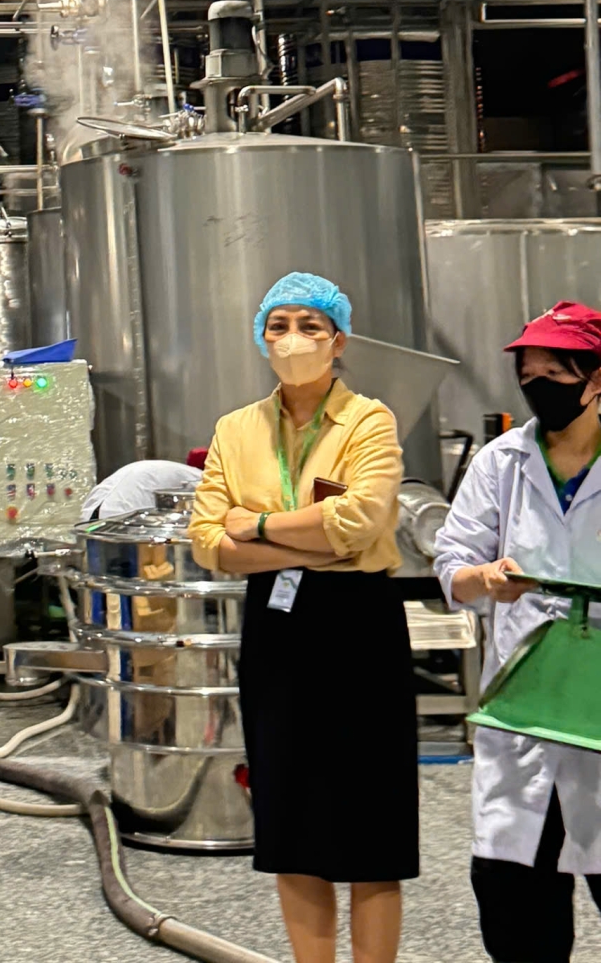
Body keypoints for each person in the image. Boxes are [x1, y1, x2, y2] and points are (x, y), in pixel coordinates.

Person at [188, 271, 416, 963]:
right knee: (291, 819)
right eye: (279, 326)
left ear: (338, 340)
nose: (293, 339)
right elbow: (207, 543)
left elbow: (359, 521)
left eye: (310, 326)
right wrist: (311, 541)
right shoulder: (235, 429)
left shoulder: (369, 420)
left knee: (372, 825)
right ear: (262, 338)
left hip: (360, 626)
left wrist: (255, 525)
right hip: (277, 629)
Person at [434, 300, 601, 963]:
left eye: (554, 374)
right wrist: (484, 578)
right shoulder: (501, 462)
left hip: (597, 711)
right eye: (528, 375)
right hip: (523, 713)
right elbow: (452, 561)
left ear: (595, 378)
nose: (538, 387)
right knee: (515, 907)